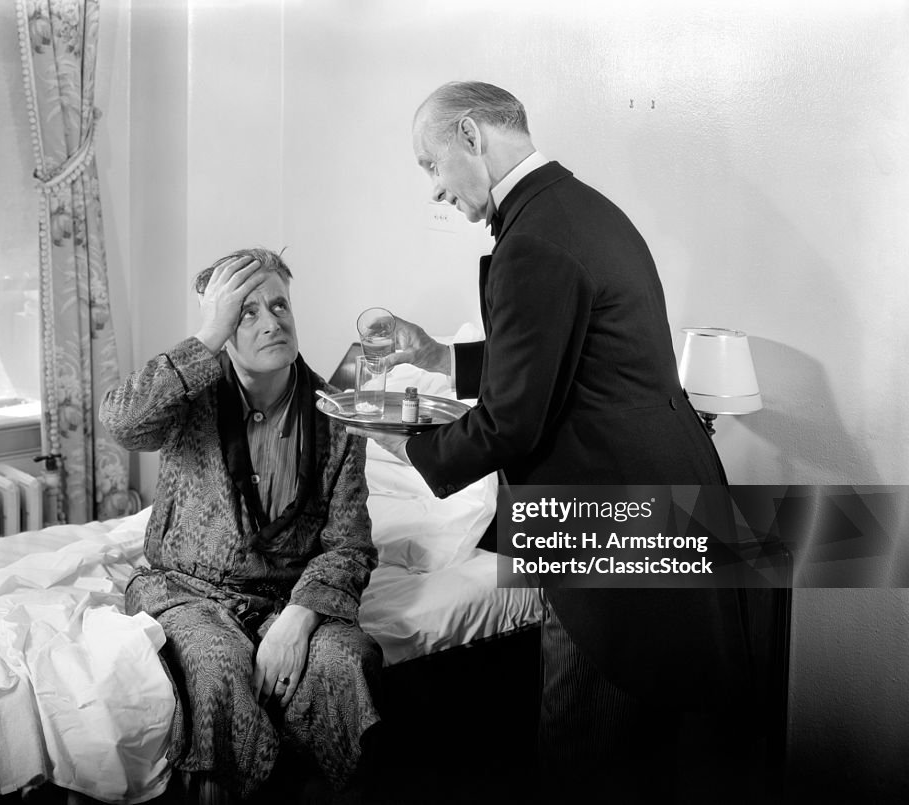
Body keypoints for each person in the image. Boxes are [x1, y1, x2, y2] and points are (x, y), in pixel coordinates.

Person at [354, 81, 757, 801]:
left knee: (584, 752)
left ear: (471, 136)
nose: (435, 190)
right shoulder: (577, 210)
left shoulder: (533, 240)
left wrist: (405, 445)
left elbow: (514, 421)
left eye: (430, 164)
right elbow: (561, 352)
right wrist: (442, 356)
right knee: (642, 753)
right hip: (662, 505)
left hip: (611, 530)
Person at [100, 248, 382, 805]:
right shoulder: (190, 394)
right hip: (188, 592)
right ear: (223, 326)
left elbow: (349, 547)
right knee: (216, 667)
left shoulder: (339, 417)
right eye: (247, 313)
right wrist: (205, 337)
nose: (272, 322)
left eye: (279, 306)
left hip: (288, 598)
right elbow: (121, 423)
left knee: (346, 662)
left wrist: (299, 618)